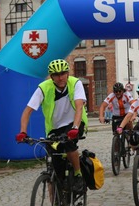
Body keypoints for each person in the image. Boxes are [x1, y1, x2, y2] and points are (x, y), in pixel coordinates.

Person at [16, 59, 88, 192]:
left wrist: (75, 128)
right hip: (55, 128)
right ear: (51, 76)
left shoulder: (76, 83)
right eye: (56, 75)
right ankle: (57, 194)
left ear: (67, 73)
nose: (60, 77)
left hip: (75, 123)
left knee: (68, 144)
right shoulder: (44, 88)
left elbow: (79, 107)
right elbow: (27, 111)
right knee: (54, 164)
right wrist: (23, 132)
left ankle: (78, 174)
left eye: (62, 73)